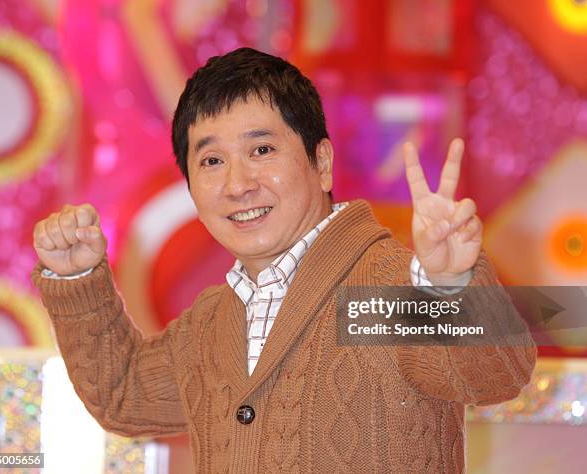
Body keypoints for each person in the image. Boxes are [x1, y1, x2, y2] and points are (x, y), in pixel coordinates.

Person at [32, 47, 536, 473]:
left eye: (262, 149)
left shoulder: (382, 290)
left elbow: (495, 375)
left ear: (321, 162)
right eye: (211, 161)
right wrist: (77, 278)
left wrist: (450, 285)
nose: (237, 183)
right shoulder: (212, 319)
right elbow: (124, 396)